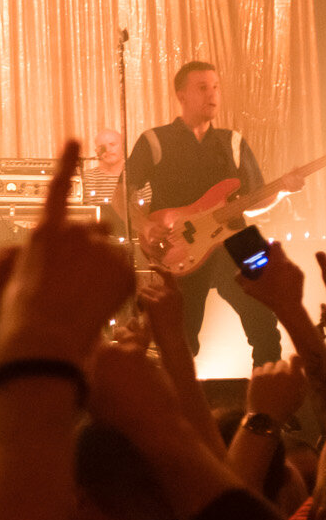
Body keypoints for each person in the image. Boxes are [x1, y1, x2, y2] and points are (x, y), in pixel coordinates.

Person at [127, 62, 299, 365]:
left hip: (239, 239)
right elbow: (123, 191)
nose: (213, 95)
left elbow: (255, 200)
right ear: (181, 96)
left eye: (216, 87)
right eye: (203, 87)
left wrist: (284, 189)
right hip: (181, 244)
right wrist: (143, 225)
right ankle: (180, 405)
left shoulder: (232, 142)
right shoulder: (155, 140)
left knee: (266, 325)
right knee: (182, 337)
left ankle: (270, 401)